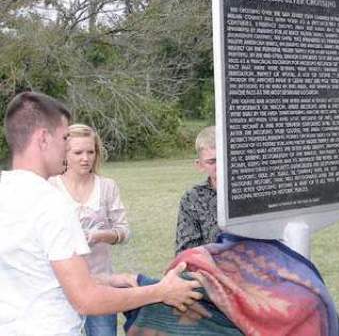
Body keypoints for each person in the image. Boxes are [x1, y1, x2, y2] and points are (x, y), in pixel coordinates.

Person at [0, 91, 202, 336]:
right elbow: (86, 300)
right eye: (64, 138)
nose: (67, 148)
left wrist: (108, 280)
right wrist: (161, 291)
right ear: (43, 138)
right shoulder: (51, 203)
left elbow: (38, 274)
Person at [49, 123, 130, 336]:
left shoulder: (107, 186)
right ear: (64, 154)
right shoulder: (50, 187)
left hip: (100, 285)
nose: (85, 158)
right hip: (59, 288)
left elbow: (123, 231)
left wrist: (101, 235)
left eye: (90, 152)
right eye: (78, 152)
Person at [175, 126, 221, 254]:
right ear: (200, 165)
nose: (220, 166)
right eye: (212, 162)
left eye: (225, 158)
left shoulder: (255, 190)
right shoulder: (192, 198)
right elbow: (187, 253)